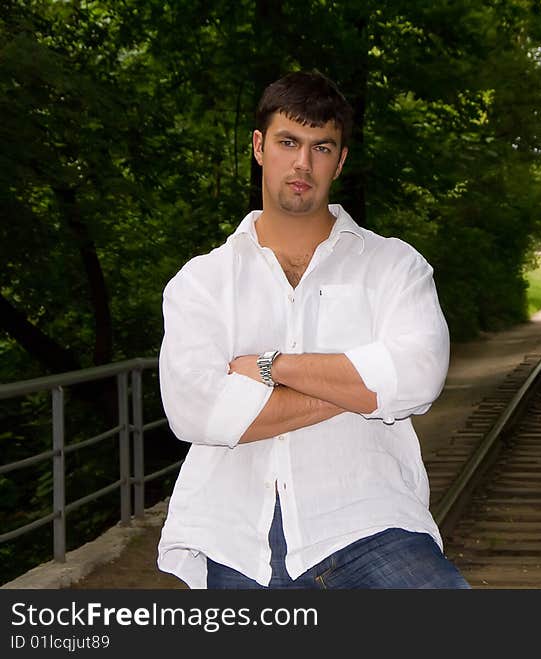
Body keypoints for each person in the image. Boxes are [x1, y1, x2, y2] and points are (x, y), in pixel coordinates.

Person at [156, 70, 470, 589]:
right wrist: (363, 386)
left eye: (321, 147)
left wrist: (270, 367)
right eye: (288, 142)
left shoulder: (394, 265)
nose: (303, 163)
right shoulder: (203, 280)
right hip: (237, 535)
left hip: (370, 521)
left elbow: (416, 377)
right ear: (259, 147)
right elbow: (196, 410)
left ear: (340, 160)